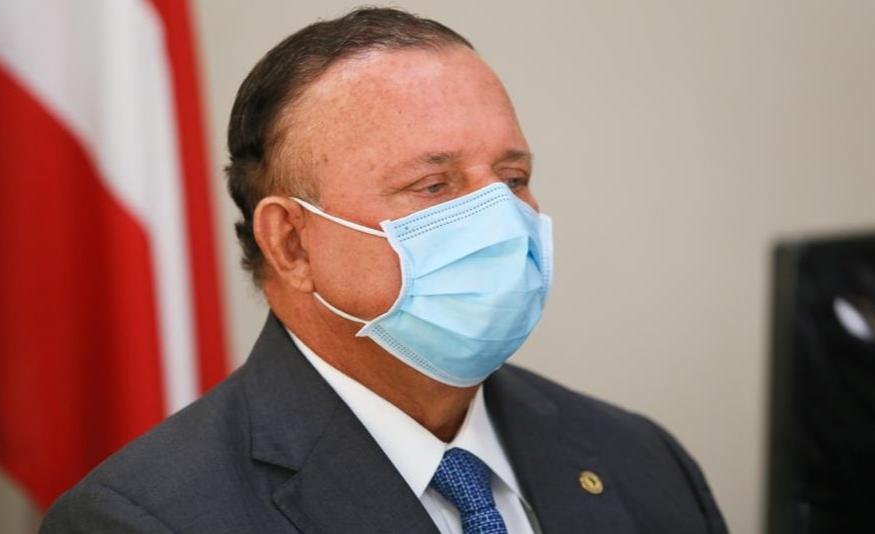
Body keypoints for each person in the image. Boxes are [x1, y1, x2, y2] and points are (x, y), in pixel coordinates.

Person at [42, 7, 727, 533]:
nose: (499, 217)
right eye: (433, 186)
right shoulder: (146, 518)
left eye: (513, 178)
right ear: (291, 244)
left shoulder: (640, 459)